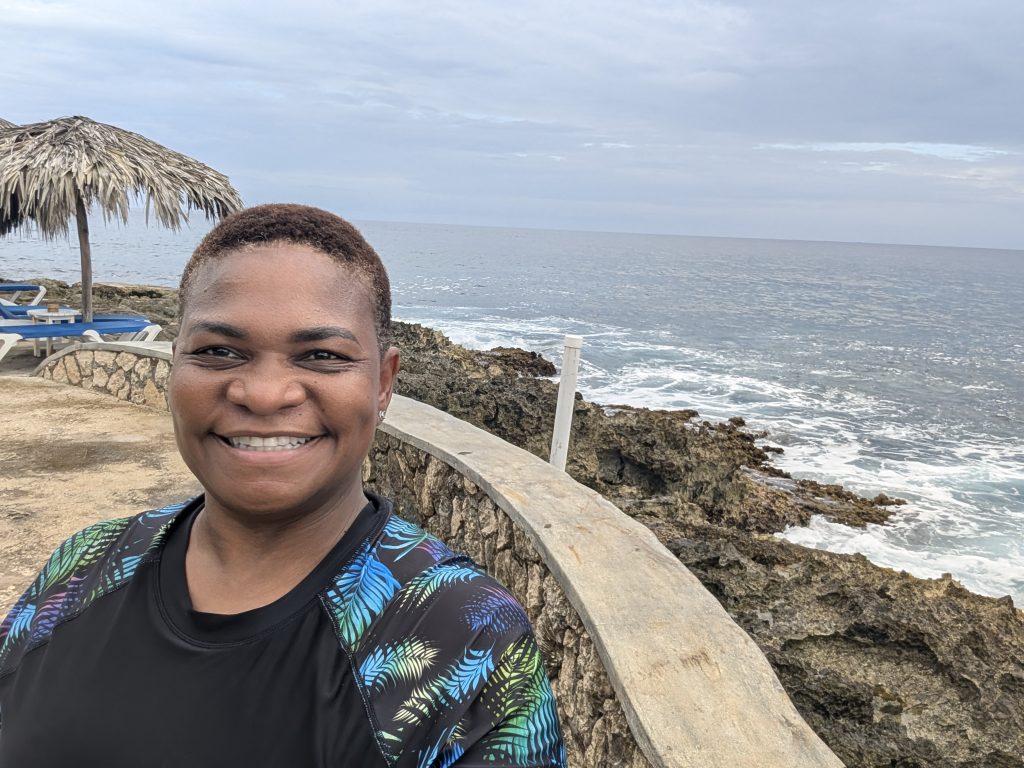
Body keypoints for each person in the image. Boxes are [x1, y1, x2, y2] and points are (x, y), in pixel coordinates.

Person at [0, 204, 567, 767]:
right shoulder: (84, 566)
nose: (266, 394)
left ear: (384, 384)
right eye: (219, 351)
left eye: (322, 355)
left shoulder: (463, 636)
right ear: (174, 365)